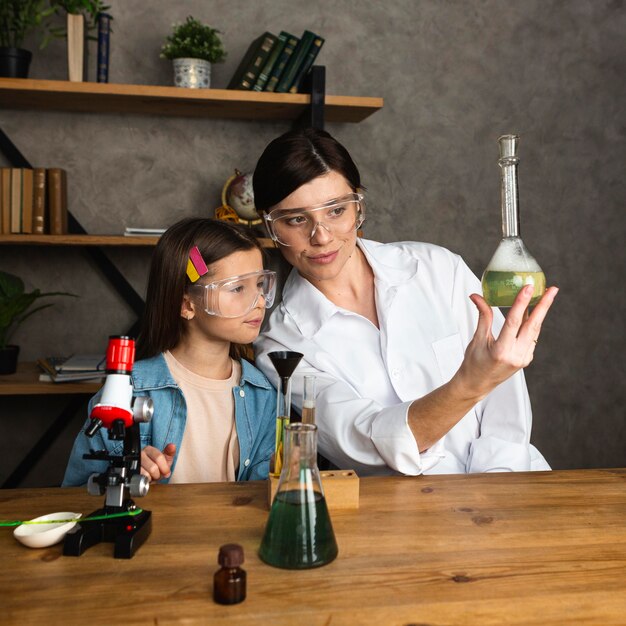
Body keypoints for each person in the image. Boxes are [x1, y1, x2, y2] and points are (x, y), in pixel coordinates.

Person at [252, 128, 559, 476]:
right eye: (296, 219)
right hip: (398, 517)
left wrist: (491, 494)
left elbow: (506, 415)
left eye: (336, 211)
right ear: (268, 226)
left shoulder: (437, 268)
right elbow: (365, 439)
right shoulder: (282, 344)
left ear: (358, 206)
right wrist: (472, 382)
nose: (321, 236)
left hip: (508, 482)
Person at [63, 218, 277, 486]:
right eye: (237, 288)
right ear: (187, 305)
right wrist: (125, 476)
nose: (258, 301)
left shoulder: (263, 395)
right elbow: (77, 492)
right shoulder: (128, 391)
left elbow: (264, 490)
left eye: (260, 284)